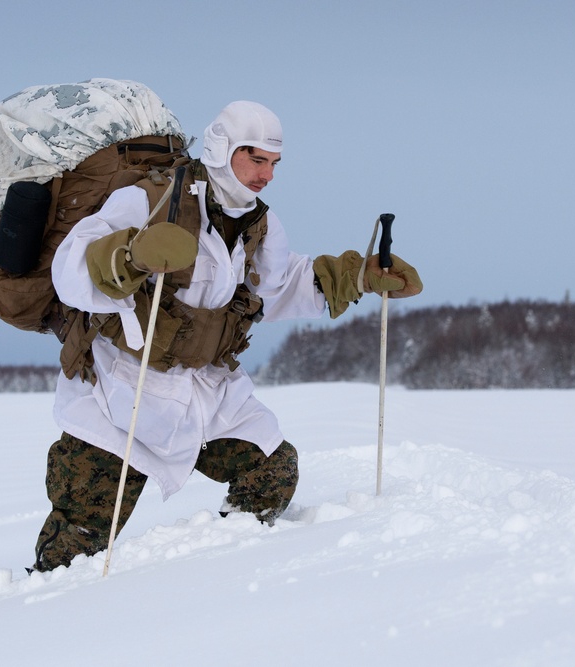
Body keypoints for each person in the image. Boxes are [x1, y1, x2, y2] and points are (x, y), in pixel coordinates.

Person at [32, 101, 422, 571]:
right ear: (221, 148)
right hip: (120, 392)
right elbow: (69, 269)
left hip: (207, 393)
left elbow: (276, 287)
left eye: (274, 164)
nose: (266, 175)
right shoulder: (150, 199)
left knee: (271, 472)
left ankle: (220, 576)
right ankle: (47, 612)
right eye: (256, 159)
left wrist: (356, 278)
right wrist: (130, 256)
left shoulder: (260, 223)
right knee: (78, 538)